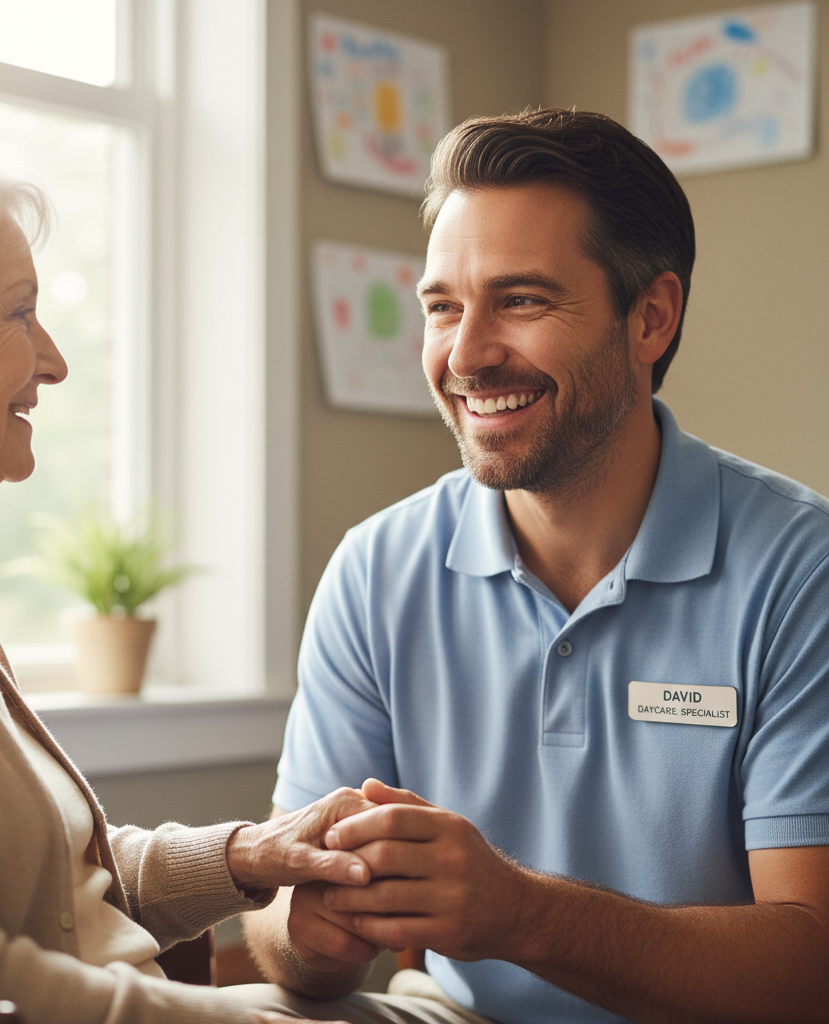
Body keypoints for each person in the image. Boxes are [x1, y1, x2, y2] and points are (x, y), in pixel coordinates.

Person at [243, 109, 829, 1024]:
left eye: (520, 301)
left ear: (651, 317)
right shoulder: (376, 568)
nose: (465, 356)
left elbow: (812, 966)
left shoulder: (802, 570)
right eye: (443, 306)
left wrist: (520, 915)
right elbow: (282, 930)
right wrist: (313, 930)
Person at [0, 126, 384, 1024]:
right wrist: (233, 1022)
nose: (54, 360)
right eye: (17, 311)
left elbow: (58, 886)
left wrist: (248, 854)